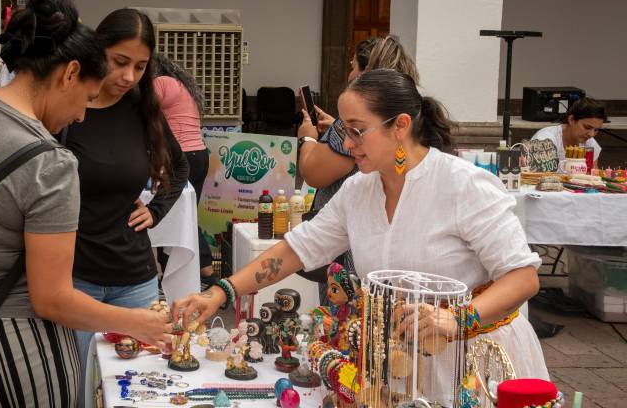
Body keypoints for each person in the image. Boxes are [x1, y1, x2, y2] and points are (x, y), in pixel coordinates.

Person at [174, 69, 548, 405]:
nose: (347, 143)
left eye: (356, 130)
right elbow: (296, 251)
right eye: (343, 130)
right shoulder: (359, 190)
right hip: (399, 363)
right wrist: (221, 291)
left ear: (400, 126)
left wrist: (458, 320)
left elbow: (522, 276)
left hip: (473, 363)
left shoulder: (463, 185)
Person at [0, 0, 173, 407]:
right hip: (18, 356)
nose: (83, 115)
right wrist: (135, 322)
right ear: (69, 73)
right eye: (87, 97)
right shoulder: (50, 162)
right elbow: (51, 298)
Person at [61, 8, 189, 386]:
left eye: (140, 66)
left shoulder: (141, 107)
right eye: (119, 62)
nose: (128, 76)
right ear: (97, 51)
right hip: (75, 282)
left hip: (135, 280)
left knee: (141, 386)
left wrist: (157, 210)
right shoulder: (69, 108)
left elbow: (181, 167)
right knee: (80, 388)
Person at [296, 35, 420, 302]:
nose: (350, 74)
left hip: (351, 260)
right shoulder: (407, 119)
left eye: (354, 66)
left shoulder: (348, 131)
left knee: (347, 323)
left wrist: (307, 137)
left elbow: (314, 173)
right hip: (377, 257)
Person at [152, 53, 214, 278]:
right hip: (199, 154)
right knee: (186, 214)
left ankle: (200, 270)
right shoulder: (182, 85)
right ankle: (198, 269)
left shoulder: (160, 83)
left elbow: (143, 112)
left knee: (173, 214)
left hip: (181, 157)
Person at [531, 97, 607, 170]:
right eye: (587, 127)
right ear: (571, 120)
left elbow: (593, 176)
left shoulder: (590, 143)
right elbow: (538, 177)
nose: (591, 134)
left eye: (596, 130)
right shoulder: (545, 139)